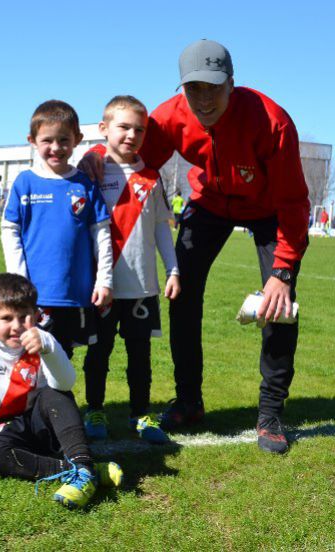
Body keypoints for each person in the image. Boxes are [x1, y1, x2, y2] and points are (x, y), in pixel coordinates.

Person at [80, 39, 310, 454]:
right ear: (181, 88)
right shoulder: (170, 116)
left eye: (213, 88)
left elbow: (294, 203)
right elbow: (132, 153)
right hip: (209, 204)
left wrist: (283, 273)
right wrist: (96, 157)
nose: (203, 99)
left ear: (232, 84)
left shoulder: (272, 122)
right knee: (181, 291)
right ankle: (189, 400)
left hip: (269, 209)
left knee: (280, 307)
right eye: (193, 88)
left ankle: (270, 412)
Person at [0, 273, 123, 509]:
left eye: (24, 317)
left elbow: (66, 384)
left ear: (36, 316)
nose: (16, 326)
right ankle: (82, 472)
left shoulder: (45, 341)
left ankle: (81, 463)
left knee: (54, 393)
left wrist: (48, 348)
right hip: (5, 431)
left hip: (45, 428)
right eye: (6, 318)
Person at [81, 96, 181, 445]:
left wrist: (173, 269)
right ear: (104, 129)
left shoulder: (151, 176)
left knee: (140, 355)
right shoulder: (90, 171)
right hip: (102, 286)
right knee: (99, 352)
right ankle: (94, 409)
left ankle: (141, 413)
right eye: (123, 127)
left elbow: (159, 228)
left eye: (139, 129)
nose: (131, 135)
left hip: (142, 285)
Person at [1, 100, 113, 358]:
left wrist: (104, 279)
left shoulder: (85, 183)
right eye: (47, 140)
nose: (56, 147)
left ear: (78, 139)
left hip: (73, 292)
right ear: (32, 140)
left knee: (62, 356)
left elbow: (102, 235)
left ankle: (58, 398)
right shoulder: (24, 182)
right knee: (28, 355)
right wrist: (18, 280)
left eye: (64, 140)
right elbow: (10, 232)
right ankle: (31, 399)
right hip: (34, 294)